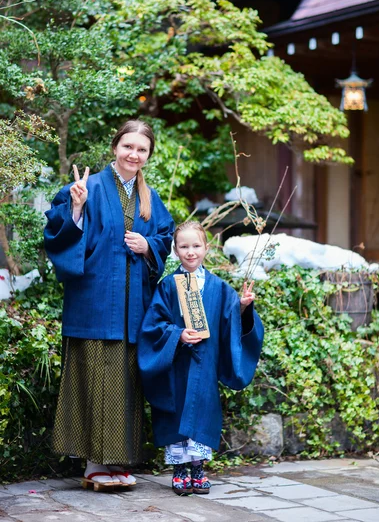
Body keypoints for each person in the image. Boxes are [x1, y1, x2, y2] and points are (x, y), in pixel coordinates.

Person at [44, 120, 174, 488]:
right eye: (128, 146)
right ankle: (93, 465)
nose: (134, 154)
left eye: (142, 149)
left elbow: (165, 236)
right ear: (115, 146)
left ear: (148, 155)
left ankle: (117, 463)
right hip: (95, 302)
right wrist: (76, 208)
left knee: (124, 382)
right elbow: (56, 232)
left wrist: (149, 247)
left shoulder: (150, 197)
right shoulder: (90, 186)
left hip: (134, 307)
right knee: (93, 378)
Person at [138, 221, 264, 496]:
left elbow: (232, 324)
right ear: (175, 249)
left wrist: (243, 308)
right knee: (176, 411)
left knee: (201, 411)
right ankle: (179, 470)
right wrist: (177, 334)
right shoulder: (168, 286)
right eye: (184, 246)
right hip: (176, 364)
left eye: (196, 246)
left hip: (205, 364)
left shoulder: (220, 289)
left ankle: (197, 468)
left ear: (207, 248)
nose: (190, 252)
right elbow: (153, 325)